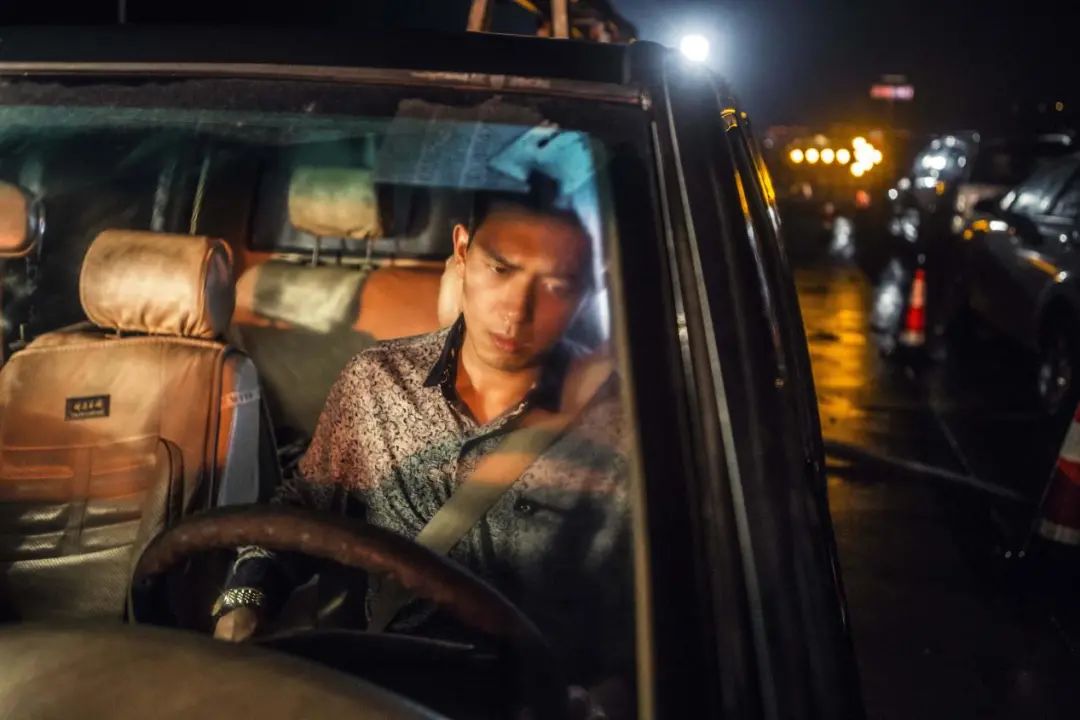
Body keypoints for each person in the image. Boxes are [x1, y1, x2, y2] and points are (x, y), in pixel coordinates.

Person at [213, 183, 633, 714]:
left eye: (556, 285)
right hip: (384, 691)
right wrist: (245, 601)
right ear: (462, 249)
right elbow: (300, 513)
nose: (517, 310)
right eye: (500, 269)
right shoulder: (377, 382)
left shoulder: (620, 428)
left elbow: (652, 624)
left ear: (587, 292)